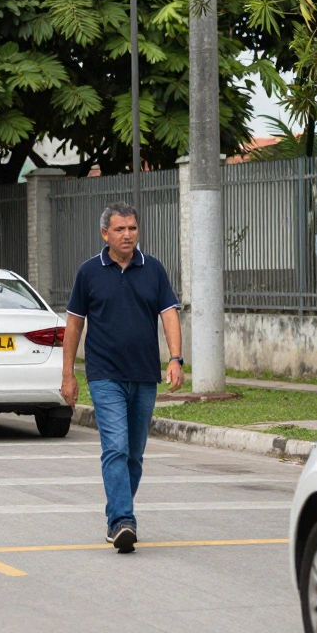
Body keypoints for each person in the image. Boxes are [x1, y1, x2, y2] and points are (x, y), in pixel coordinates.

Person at [60, 202, 184, 553]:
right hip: (105, 375)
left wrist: (176, 359)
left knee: (134, 455)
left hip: (144, 374)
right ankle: (123, 521)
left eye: (132, 228)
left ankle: (116, 512)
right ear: (105, 234)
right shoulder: (89, 272)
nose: (127, 235)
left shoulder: (153, 269)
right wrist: (68, 375)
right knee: (115, 447)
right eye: (120, 229)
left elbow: (169, 315)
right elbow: (74, 325)